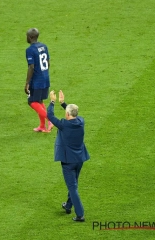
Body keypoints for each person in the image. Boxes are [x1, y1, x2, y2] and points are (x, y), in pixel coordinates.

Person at [47, 90, 90, 222]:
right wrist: (63, 103)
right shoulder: (81, 121)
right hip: (80, 159)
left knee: (72, 187)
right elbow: (74, 114)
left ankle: (80, 214)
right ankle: (68, 205)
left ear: (67, 114)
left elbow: (50, 115)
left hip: (68, 162)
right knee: (74, 183)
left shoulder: (64, 124)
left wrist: (53, 102)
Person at [24, 28, 53, 132]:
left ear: (30, 37)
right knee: (39, 101)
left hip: (36, 80)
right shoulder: (44, 46)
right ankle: (42, 126)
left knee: (31, 101)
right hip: (45, 77)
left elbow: (31, 67)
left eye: (27, 36)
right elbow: (48, 63)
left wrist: (27, 83)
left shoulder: (30, 50)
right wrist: (44, 74)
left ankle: (51, 120)